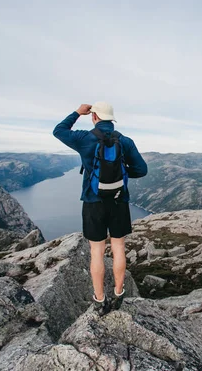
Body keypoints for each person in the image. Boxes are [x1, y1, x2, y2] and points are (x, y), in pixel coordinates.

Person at [53, 101, 147, 315]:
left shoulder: (83, 138)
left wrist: (78, 112)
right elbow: (141, 170)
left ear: (94, 116)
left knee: (96, 251)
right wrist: (120, 172)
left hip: (93, 202)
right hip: (119, 201)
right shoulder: (126, 141)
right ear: (112, 120)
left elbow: (58, 130)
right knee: (118, 248)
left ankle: (99, 299)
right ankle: (119, 292)